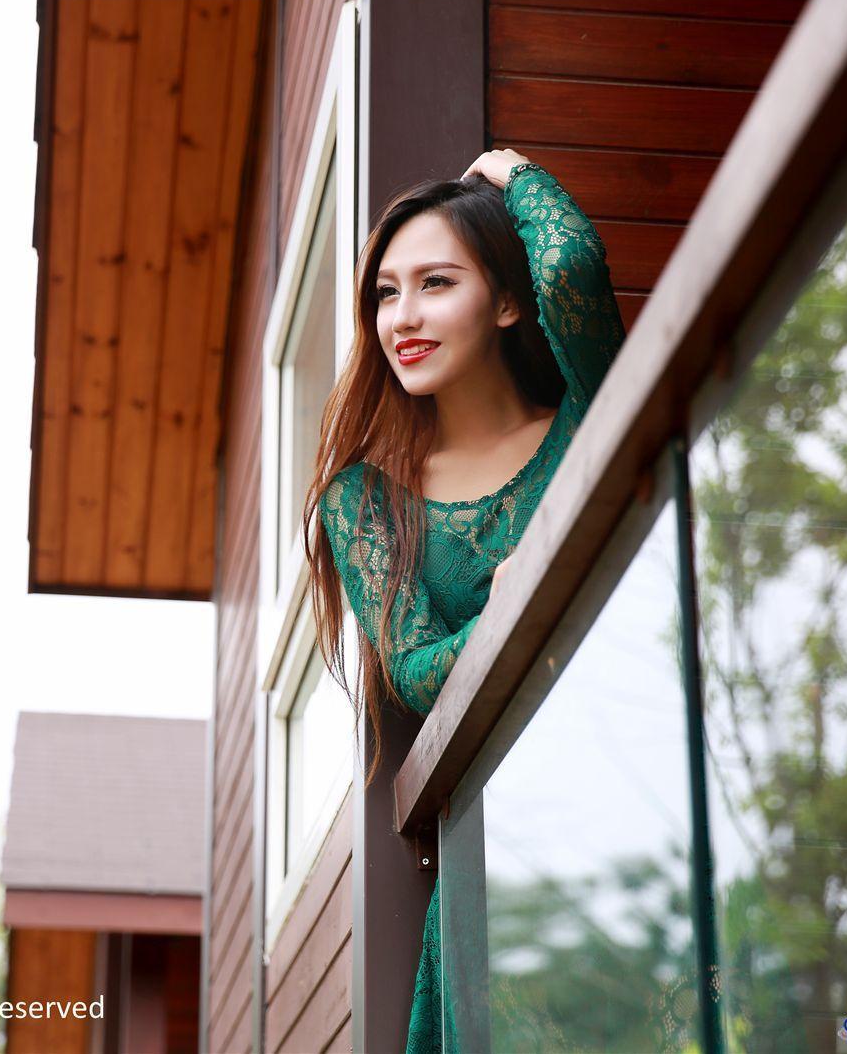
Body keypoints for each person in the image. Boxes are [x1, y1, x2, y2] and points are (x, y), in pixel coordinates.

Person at [300, 149, 625, 1051]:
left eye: (436, 283)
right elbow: (410, 668)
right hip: (500, 847)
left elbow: (570, 268)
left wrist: (516, 173)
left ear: (507, 301)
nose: (402, 318)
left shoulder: (587, 421)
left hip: (638, 803)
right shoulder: (365, 501)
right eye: (385, 293)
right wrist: (514, 602)